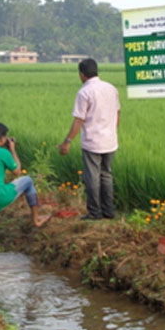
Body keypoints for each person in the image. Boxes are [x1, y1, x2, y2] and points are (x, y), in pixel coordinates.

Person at [0, 123, 51, 260]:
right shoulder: (3, 153)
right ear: (2, 139)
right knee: (28, 180)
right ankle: (36, 219)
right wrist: (12, 149)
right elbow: (17, 171)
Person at [58, 58, 120, 220]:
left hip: (93, 142)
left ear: (82, 74)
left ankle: (94, 212)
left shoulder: (84, 92)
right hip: (110, 141)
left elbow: (79, 119)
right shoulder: (111, 88)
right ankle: (109, 212)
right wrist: (112, 131)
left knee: (92, 177)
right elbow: (118, 113)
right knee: (106, 175)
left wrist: (67, 141)